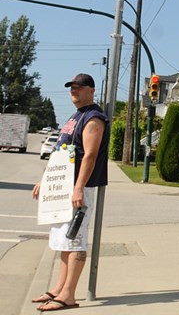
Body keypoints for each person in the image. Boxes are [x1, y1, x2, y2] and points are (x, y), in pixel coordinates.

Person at [31, 73, 109, 312]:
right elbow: (61, 152)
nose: (74, 91)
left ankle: (68, 295)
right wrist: (44, 180)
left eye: (79, 87)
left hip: (79, 187)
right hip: (64, 187)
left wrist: (78, 189)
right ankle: (59, 288)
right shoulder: (75, 117)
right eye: (72, 88)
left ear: (91, 90)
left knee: (75, 239)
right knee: (64, 240)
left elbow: (90, 155)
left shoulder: (94, 118)